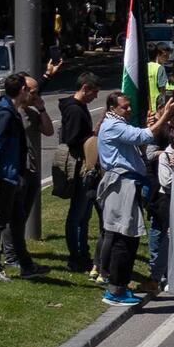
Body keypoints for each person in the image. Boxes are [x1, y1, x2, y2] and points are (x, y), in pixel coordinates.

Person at [95, 90, 174, 306]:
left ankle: (119, 287)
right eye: (124, 106)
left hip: (127, 183)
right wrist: (164, 115)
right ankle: (115, 291)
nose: (129, 109)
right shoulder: (113, 125)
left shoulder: (116, 123)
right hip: (121, 184)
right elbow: (144, 136)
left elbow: (138, 137)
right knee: (124, 237)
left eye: (129, 105)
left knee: (128, 238)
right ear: (112, 108)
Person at [0, 71, 43, 280]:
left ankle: (26, 265)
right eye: (29, 90)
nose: (30, 94)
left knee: (18, 219)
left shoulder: (9, 110)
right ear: (22, 90)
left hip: (11, 175)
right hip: (2, 177)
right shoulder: (3, 115)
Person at [56, 72, 100, 273]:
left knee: (84, 215)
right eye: (94, 92)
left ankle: (83, 253)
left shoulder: (78, 107)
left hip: (83, 164)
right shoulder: (74, 110)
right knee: (77, 215)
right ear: (84, 88)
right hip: (79, 166)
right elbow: (72, 138)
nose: (95, 97)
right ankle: (76, 256)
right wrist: (91, 136)